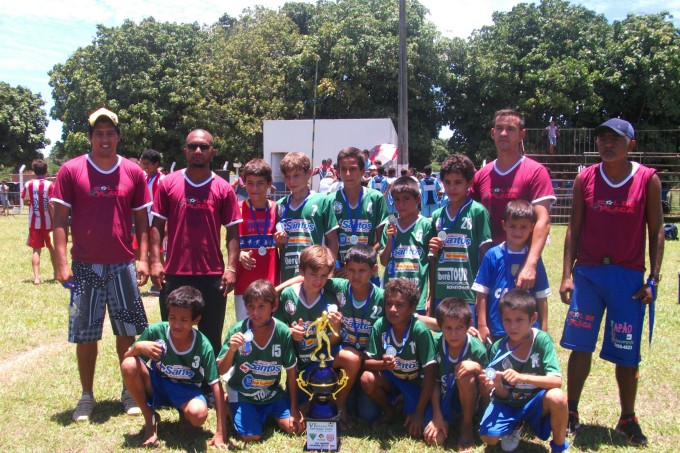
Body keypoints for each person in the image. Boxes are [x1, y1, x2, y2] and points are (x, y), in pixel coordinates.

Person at [559, 118, 664, 447]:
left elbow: (657, 230)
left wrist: (654, 279)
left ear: (630, 144)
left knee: (627, 352)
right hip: (588, 274)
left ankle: (627, 417)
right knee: (580, 345)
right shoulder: (585, 177)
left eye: (615, 139)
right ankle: (571, 411)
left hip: (628, 277)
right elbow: (573, 227)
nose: (607, 144)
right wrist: (566, 274)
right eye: (602, 138)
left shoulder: (647, 179)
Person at [52, 107, 151, 421]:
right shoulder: (70, 170)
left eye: (110, 133)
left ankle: (129, 391)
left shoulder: (134, 172)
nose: (105, 139)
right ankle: (86, 395)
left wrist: (144, 259)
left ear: (118, 136)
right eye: (99, 133)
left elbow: (142, 222)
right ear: (90, 137)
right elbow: (58, 220)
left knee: (127, 331)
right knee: (86, 334)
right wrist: (61, 261)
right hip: (84, 266)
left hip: (122, 265)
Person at [149, 129, 242, 355]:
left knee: (211, 338)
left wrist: (231, 268)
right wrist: (156, 262)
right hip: (174, 274)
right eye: (192, 146)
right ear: (185, 151)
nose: (197, 151)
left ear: (213, 152)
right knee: (174, 335)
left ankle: (209, 388)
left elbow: (232, 233)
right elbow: (156, 228)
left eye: (204, 147)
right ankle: (174, 384)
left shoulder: (223, 189)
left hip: (212, 276)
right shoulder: (168, 184)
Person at [121, 286, 228, 448]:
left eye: (184, 320)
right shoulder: (156, 332)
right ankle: (150, 418)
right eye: (172, 317)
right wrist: (138, 348)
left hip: (187, 391)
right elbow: (126, 362)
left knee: (198, 415)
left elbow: (216, 386)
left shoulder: (203, 345)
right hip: (158, 385)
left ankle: (184, 415)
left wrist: (221, 432)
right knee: (129, 365)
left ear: (195, 320)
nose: (177, 324)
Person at [470, 109, 555, 290]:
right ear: (492, 133)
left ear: (521, 135)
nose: (503, 133)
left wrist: (531, 263)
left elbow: (543, 220)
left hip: (522, 260)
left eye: (510, 129)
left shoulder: (536, 171)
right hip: (489, 261)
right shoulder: (482, 174)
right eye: (499, 128)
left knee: (521, 317)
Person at [479, 289, 568, 453]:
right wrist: (497, 385)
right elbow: (504, 395)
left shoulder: (541, 340)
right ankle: (515, 424)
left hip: (536, 403)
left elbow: (557, 381)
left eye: (519, 319)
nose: (513, 326)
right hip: (510, 403)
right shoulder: (498, 348)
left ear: (533, 318)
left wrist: (522, 377)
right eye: (507, 320)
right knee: (488, 437)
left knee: (558, 397)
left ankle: (559, 447)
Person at [217, 279, 303, 441]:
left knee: (295, 428)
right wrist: (231, 350)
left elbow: (291, 373)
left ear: (274, 305)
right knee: (251, 437)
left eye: (261, 306)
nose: (255, 312)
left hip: (271, 393)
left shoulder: (282, 331)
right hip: (244, 393)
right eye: (251, 307)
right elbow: (220, 370)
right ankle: (231, 404)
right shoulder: (238, 330)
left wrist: (294, 409)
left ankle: (266, 413)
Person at [273, 246, 347, 418]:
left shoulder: (331, 296)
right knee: (300, 408)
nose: (318, 280)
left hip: (324, 361)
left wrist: (336, 328)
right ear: (301, 272)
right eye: (313, 274)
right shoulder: (288, 296)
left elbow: (334, 342)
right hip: (298, 365)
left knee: (349, 357)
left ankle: (339, 405)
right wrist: (290, 332)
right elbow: (276, 331)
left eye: (323, 275)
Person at [360, 278, 436, 438]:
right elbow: (365, 363)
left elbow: (430, 374)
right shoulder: (380, 325)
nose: (392, 309)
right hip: (391, 380)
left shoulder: (419, 331)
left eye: (400, 305)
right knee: (367, 380)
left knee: (416, 427)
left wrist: (419, 413)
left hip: (414, 385)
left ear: (412, 308)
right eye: (388, 304)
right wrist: (382, 364)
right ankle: (389, 410)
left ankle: (407, 403)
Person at [472, 200, 550, 343]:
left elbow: (542, 296)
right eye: (512, 226)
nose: (517, 231)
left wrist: (544, 329)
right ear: (504, 225)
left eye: (523, 227)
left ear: (532, 227)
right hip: (498, 329)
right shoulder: (492, 255)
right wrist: (482, 324)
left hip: (528, 331)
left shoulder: (533, 260)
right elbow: (482, 293)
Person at [428, 154, 492, 320]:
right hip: (442, 292)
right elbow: (432, 260)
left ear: (469, 183)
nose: (452, 188)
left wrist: (481, 294)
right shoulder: (437, 215)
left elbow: (486, 255)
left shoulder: (477, 212)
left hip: (468, 292)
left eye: (458, 182)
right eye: (447, 182)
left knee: (468, 340)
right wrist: (431, 295)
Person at [424, 298, 488, 451]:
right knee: (435, 440)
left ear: (469, 324)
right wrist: (437, 416)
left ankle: (466, 425)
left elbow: (488, 382)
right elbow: (433, 382)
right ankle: (447, 419)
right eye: (448, 327)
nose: (454, 333)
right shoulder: (436, 344)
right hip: (445, 399)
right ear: (440, 326)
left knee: (466, 374)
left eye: (459, 327)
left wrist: (477, 367)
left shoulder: (477, 348)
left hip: (471, 399)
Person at [274, 152, 339, 282]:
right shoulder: (280, 205)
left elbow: (332, 240)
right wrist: (278, 241)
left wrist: (330, 271)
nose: (292, 181)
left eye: (296, 175)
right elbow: (278, 245)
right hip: (288, 273)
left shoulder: (322, 201)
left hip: (316, 273)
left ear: (309, 173)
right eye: (287, 176)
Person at [330, 147, 388, 279]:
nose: (348, 174)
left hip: (367, 273)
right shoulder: (330, 201)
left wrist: (358, 265)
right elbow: (329, 241)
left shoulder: (376, 198)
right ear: (338, 172)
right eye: (343, 169)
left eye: (353, 169)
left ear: (362, 171)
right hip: (340, 274)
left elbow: (381, 239)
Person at [379, 176, 434, 314]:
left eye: (406, 199)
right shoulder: (390, 225)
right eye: (397, 199)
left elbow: (433, 264)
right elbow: (383, 261)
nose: (401, 204)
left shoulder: (426, 225)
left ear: (417, 199)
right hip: (392, 295)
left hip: (416, 295)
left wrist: (431, 296)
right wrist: (391, 239)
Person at [235, 159, 280, 321]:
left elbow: (281, 243)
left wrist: (281, 241)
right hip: (244, 285)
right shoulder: (237, 207)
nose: (254, 189)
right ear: (244, 184)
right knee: (245, 332)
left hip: (271, 283)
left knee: (269, 331)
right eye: (250, 183)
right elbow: (230, 242)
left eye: (260, 183)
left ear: (269, 183)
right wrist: (239, 254)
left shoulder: (277, 208)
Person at [21, 159, 57, 284]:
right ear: (46, 171)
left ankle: (36, 277)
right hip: (49, 222)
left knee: (36, 250)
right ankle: (56, 274)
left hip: (34, 222)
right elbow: (51, 203)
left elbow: (25, 200)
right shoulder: (50, 185)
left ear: (34, 172)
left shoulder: (28, 184)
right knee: (52, 248)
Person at [137, 149, 164, 292]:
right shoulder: (146, 179)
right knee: (145, 249)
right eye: (143, 163)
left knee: (158, 251)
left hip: (157, 221)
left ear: (156, 164)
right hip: (146, 220)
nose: (145, 167)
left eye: (148, 164)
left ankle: (160, 281)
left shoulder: (162, 180)